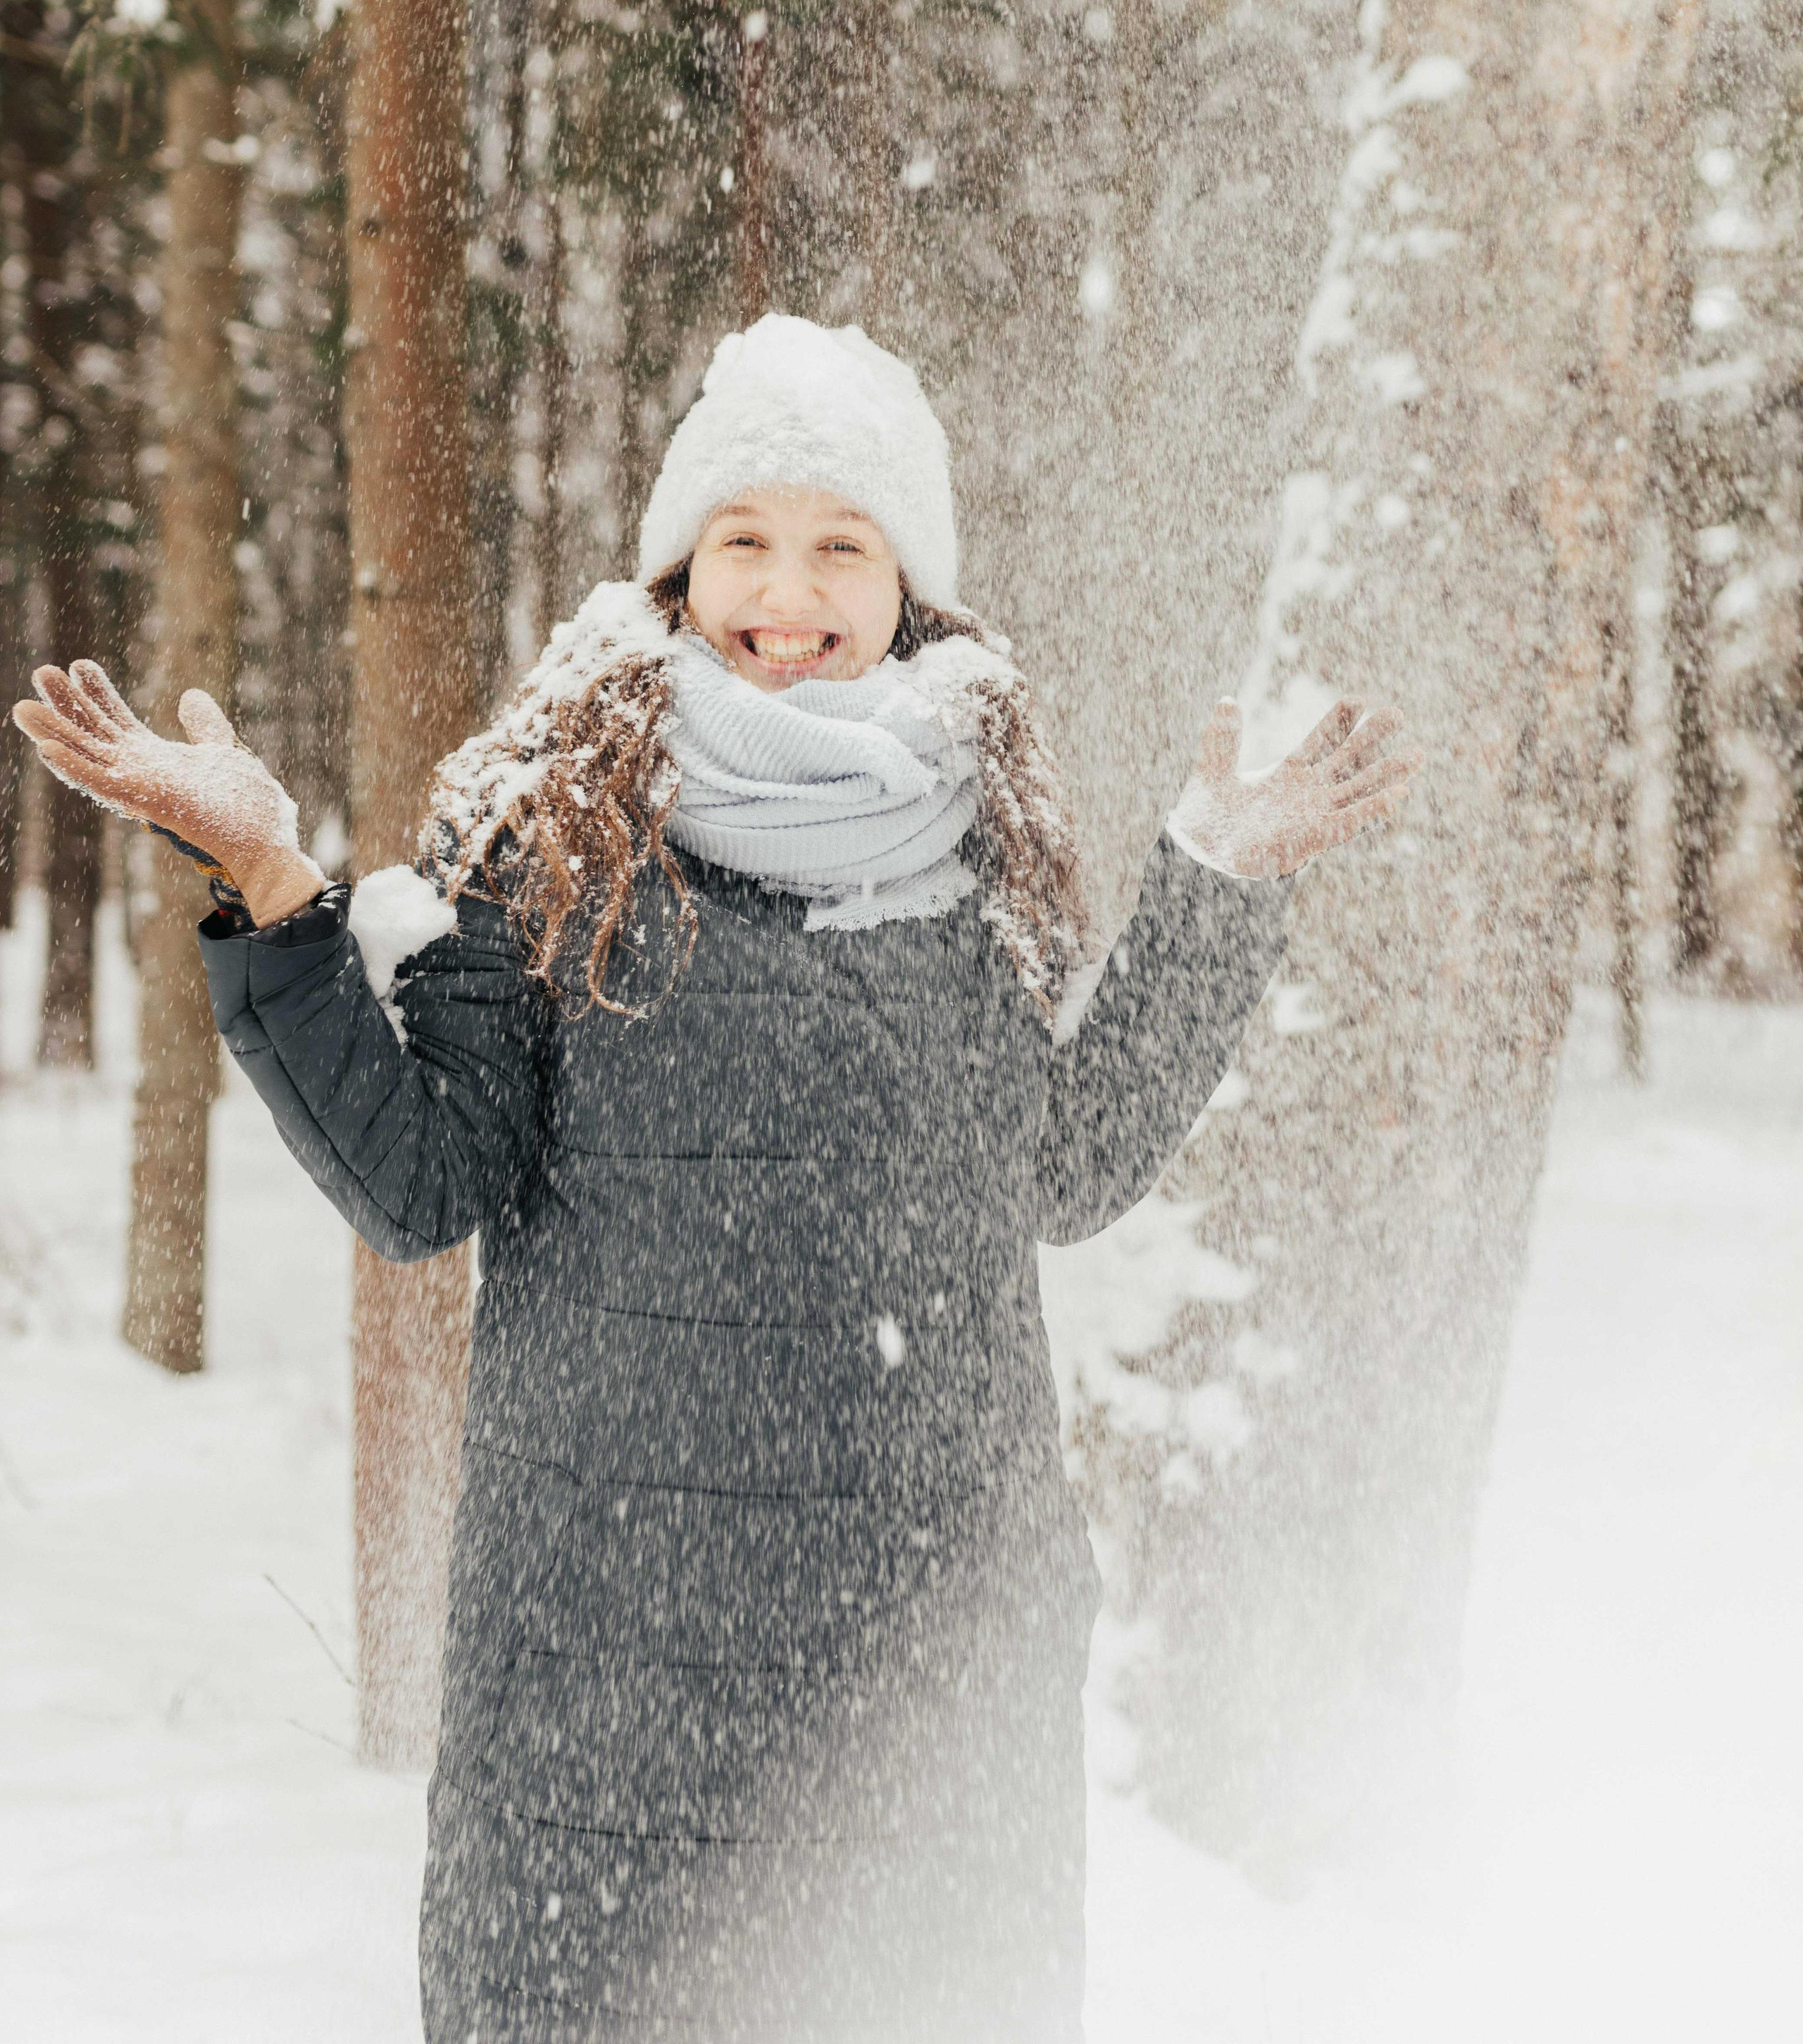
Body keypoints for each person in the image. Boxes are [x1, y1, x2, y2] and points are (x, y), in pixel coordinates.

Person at [13, 314, 1418, 2044]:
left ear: (910, 588)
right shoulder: (545, 834)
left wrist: (1211, 890)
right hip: (606, 1685)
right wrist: (273, 878)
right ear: (677, 571)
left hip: (926, 1676)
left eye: (842, 544)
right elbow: (420, 1180)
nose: (788, 588)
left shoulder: (978, 847)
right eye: (743, 539)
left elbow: (1063, 1167)